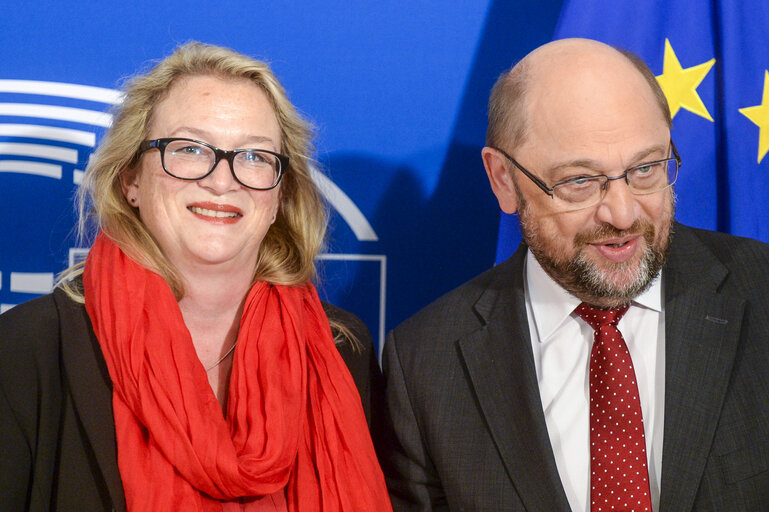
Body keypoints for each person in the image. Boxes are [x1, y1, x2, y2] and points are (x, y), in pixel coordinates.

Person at [374, 38, 769, 511]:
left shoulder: (760, 292)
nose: (623, 214)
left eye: (645, 169)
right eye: (579, 181)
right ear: (503, 179)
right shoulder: (425, 365)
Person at [0, 42, 392, 512]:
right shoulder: (27, 349)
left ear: (279, 195)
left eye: (254, 156)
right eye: (189, 148)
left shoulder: (342, 349)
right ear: (131, 180)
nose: (222, 180)